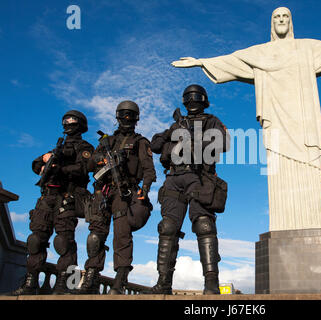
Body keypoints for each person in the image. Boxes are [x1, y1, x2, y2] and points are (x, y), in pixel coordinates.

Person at [171, 7, 321, 232]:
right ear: (272, 24)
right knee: (278, 165)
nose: (281, 20)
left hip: (304, 122)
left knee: (307, 161)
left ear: (290, 21)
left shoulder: (306, 48)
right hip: (277, 123)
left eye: (285, 16)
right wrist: (201, 61)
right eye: (277, 17)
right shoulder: (259, 53)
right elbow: (232, 60)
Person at [146, 84, 229, 295]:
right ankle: (163, 282)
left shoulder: (211, 121)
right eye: (189, 98)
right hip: (174, 177)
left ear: (203, 101)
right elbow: (155, 145)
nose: (192, 101)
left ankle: (211, 283)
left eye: (195, 97)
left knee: (204, 224)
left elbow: (224, 143)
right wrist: (172, 138)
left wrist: (196, 143)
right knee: (167, 227)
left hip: (199, 176)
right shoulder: (176, 125)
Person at [10, 110, 94, 295]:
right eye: (67, 121)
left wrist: (60, 169)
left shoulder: (85, 147)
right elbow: (35, 164)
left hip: (67, 198)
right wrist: (44, 162)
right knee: (35, 241)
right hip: (47, 199)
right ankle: (30, 282)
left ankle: (66, 284)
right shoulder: (57, 148)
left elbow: (84, 168)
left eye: (72, 121)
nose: (69, 124)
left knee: (64, 242)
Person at [78, 100, 156, 295]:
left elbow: (149, 169)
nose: (127, 119)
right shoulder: (106, 141)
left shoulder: (140, 142)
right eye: (124, 115)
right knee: (95, 236)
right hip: (103, 191)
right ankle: (91, 276)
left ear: (136, 119)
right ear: (118, 117)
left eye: (131, 115)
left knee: (122, 235)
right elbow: (89, 166)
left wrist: (145, 188)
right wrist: (101, 159)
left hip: (125, 191)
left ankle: (120, 279)